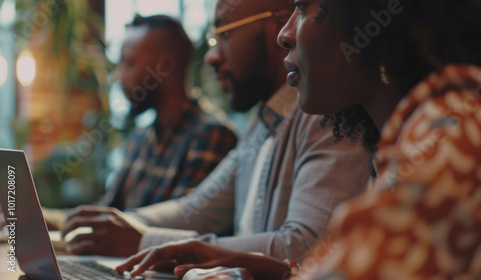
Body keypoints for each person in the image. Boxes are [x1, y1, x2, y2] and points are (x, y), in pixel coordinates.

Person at [115, 0, 481, 279]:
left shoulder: (455, 129)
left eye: (302, 6)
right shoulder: (416, 132)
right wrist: (283, 273)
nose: (286, 34)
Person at [60, 0, 376, 261]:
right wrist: (103, 227)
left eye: (223, 34)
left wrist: (144, 240)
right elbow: (197, 209)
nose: (211, 56)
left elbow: (306, 247)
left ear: (276, 23)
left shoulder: (329, 115)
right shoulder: (264, 122)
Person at [42, 15, 238, 229]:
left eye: (128, 63)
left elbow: (181, 230)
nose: (118, 77)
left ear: (164, 65)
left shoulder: (212, 135)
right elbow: (108, 213)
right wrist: (45, 219)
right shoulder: (142, 136)